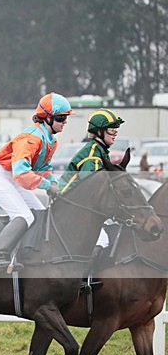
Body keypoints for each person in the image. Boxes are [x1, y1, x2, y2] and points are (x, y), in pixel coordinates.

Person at [0, 92, 72, 273]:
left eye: (66, 118)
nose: (64, 122)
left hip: (13, 178)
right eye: (61, 118)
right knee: (25, 216)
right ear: (47, 118)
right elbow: (22, 174)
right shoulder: (31, 138)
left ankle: (28, 254)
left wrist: (55, 182)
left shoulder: (51, 140)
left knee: (40, 214)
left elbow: (44, 168)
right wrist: (47, 185)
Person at [58, 108, 125, 258]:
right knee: (102, 240)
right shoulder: (92, 156)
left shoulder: (100, 150)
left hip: (77, 204)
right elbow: (93, 191)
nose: (115, 134)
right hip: (69, 205)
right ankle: (85, 273)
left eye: (116, 130)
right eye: (112, 130)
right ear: (99, 131)